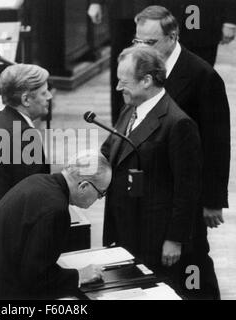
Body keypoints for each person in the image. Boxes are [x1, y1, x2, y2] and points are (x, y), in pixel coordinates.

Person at [134, 5, 230, 299]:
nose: (142, 49)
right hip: (154, 189)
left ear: (173, 36)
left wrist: (213, 200)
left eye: (150, 43)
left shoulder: (202, 76)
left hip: (189, 192)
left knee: (194, 260)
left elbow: (217, 144)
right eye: (138, 42)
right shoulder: (142, 69)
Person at [101, 46, 202, 297]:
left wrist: (175, 239)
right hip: (124, 229)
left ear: (146, 80)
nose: (117, 88)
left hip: (154, 238)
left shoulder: (178, 124)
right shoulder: (130, 108)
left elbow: (187, 189)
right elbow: (110, 150)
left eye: (123, 82)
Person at [0, 152, 112, 299]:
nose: (100, 199)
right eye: (101, 193)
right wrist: (79, 275)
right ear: (83, 186)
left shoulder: (38, 181)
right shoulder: (55, 210)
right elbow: (36, 278)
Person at [88, 0, 236, 124]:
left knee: (196, 81)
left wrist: (230, 18)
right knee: (136, 72)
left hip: (199, 19)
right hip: (145, 12)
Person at [0, 64, 51, 242]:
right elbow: (33, 200)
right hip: (5, 241)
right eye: (44, 93)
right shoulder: (24, 137)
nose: (49, 97)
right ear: (26, 99)